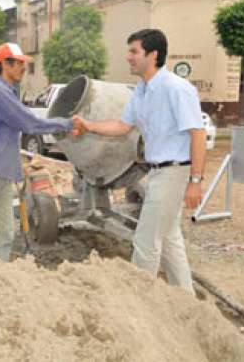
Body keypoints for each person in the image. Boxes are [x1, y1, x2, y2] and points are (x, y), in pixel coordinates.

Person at [73, 29, 206, 294]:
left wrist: (195, 181)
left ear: (153, 55)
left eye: (134, 51)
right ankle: (187, 301)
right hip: (157, 173)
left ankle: (139, 304)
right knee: (169, 240)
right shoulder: (142, 91)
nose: (129, 57)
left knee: (146, 242)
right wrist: (88, 125)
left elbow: (198, 133)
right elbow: (123, 126)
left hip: (173, 172)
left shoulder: (176, 89)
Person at [0, 42, 80, 262]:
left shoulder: (7, 91)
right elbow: (29, 123)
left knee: (4, 234)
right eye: (19, 63)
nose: (23, 68)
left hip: (2, 172)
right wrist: (67, 124)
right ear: (4, 65)